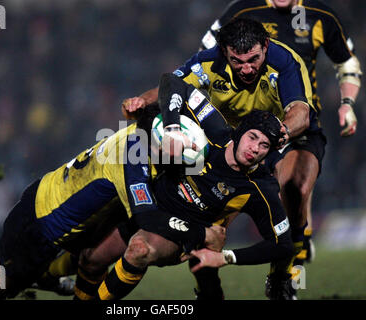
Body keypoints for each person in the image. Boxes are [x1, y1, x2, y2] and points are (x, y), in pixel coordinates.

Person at [0, 103, 226, 300]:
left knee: (93, 255)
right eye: (177, 155)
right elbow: (148, 219)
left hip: (51, 202)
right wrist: (199, 233)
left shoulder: (142, 132)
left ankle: (47, 278)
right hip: (40, 226)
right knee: (0, 286)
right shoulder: (133, 162)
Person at [121, 17, 317, 299]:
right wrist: (141, 100)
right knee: (208, 229)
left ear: (265, 46)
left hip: (278, 138)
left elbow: (301, 112)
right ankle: (209, 292)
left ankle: (281, 276)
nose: (247, 68)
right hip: (227, 143)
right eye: (238, 61)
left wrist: (279, 133)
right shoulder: (207, 61)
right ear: (224, 51)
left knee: (294, 191)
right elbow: (172, 86)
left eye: (254, 59)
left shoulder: (284, 62)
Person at [71, 73, 293, 300]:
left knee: (139, 250)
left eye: (264, 145)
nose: (254, 148)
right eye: (252, 137)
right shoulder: (215, 130)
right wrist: (172, 129)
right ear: (239, 132)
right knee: (90, 259)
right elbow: (173, 82)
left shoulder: (260, 187)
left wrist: (227, 257)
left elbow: (283, 245)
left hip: (181, 234)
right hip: (149, 208)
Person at [199, 0, 362, 272]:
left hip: (297, 119)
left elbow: (346, 63)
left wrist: (347, 102)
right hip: (243, 124)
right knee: (218, 212)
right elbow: (205, 57)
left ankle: (289, 269)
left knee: (294, 187)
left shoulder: (321, 15)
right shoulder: (242, 10)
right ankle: (208, 284)